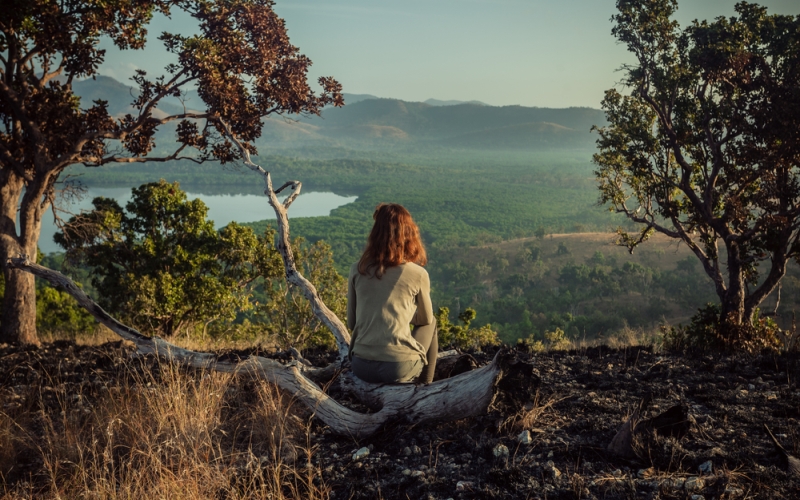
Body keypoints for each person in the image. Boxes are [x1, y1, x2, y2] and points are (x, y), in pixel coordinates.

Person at [347, 203, 438, 384]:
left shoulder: (357, 269)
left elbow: (352, 322)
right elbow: (425, 320)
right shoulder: (418, 274)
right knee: (432, 322)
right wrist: (401, 315)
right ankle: (425, 387)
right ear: (408, 235)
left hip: (360, 366)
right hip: (397, 368)